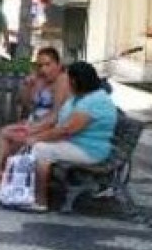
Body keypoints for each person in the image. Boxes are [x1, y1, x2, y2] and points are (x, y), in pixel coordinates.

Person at [23, 61, 117, 213]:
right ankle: (22, 190)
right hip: (75, 144)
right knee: (33, 144)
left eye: (68, 79)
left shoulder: (94, 101)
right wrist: (35, 133)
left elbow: (67, 130)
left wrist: (37, 138)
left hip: (89, 150)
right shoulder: (80, 97)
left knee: (41, 149)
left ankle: (40, 201)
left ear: (75, 80)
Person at [0, 47, 71, 191]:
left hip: (51, 127)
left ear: (58, 65)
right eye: (40, 65)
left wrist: (33, 127)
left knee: (15, 139)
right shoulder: (40, 80)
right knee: (4, 132)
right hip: (35, 121)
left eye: (48, 64)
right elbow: (26, 103)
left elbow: (55, 115)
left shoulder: (62, 81)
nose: (44, 69)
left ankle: (1, 177)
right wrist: (28, 85)